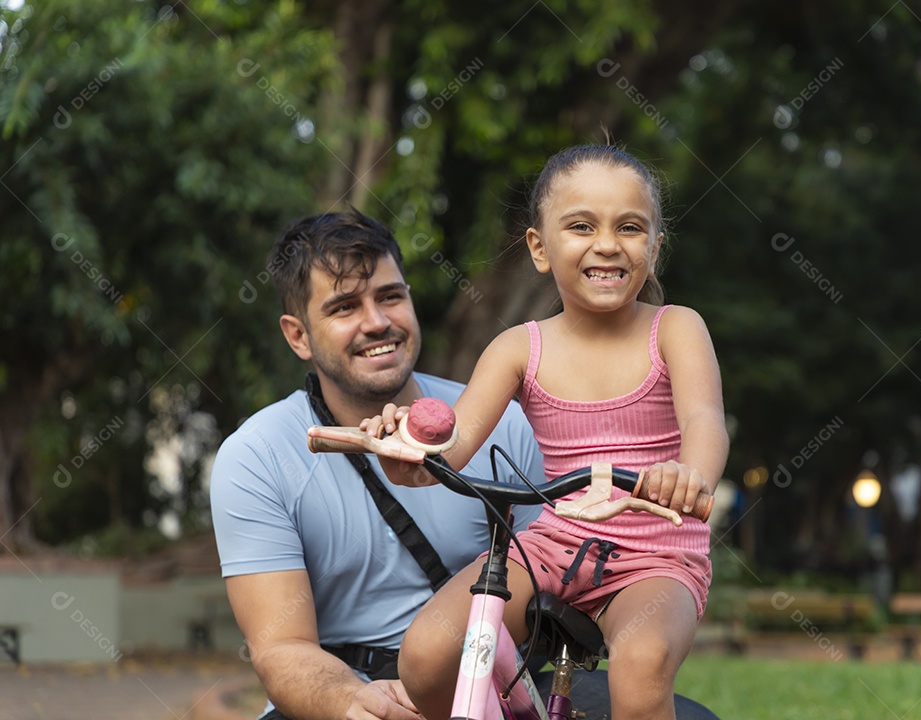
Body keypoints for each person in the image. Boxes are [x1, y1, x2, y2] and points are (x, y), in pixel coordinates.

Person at [209, 208, 721, 720]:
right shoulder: (256, 457)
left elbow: (565, 577)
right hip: (347, 691)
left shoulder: (503, 420)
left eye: (390, 296)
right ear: (298, 336)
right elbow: (280, 648)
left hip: (492, 678)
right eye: (345, 307)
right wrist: (353, 702)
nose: (377, 322)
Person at [364, 145, 729, 720]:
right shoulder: (518, 347)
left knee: (641, 665)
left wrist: (690, 475)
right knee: (427, 656)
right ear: (539, 247)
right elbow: (451, 449)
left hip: (657, 549)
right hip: (552, 545)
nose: (607, 243)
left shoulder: (676, 329)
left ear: (654, 249)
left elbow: (704, 420)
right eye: (581, 225)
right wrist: (410, 452)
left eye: (630, 228)